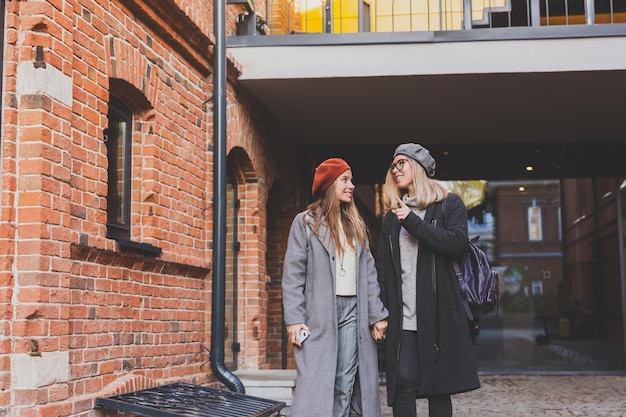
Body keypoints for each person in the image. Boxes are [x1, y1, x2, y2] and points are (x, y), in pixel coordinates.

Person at [377, 143, 480, 417]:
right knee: (403, 383)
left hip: (439, 315)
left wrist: (412, 222)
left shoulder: (449, 204)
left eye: (402, 163)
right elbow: (384, 268)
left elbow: (456, 243)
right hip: (404, 316)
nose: (396, 169)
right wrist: (381, 313)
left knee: (438, 388)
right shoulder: (391, 216)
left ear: (419, 167)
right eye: (393, 165)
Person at [282, 157, 389, 417]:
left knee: (345, 380)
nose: (351, 185)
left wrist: (377, 314)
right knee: (316, 381)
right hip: (319, 315)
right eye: (345, 180)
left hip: (353, 311)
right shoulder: (305, 223)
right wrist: (294, 319)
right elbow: (293, 273)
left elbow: (369, 274)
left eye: (351, 180)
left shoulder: (356, 226)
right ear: (330, 184)